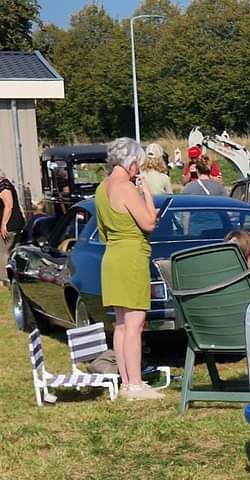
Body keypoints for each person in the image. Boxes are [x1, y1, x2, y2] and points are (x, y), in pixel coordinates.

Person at [96, 137, 163, 401]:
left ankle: (126, 382)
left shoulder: (102, 188)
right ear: (131, 162)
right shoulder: (126, 187)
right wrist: (146, 192)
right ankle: (136, 384)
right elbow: (149, 223)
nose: (138, 170)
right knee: (135, 323)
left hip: (112, 256)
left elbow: (103, 231)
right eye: (138, 164)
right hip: (131, 256)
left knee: (121, 324)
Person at [0, 169, 26, 280]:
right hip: (15, 223)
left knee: (3, 252)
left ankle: (3, 279)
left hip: (10, 225)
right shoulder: (5, 185)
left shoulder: (4, 187)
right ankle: (16, 276)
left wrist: (3, 224)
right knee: (13, 252)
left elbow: (9, 206)